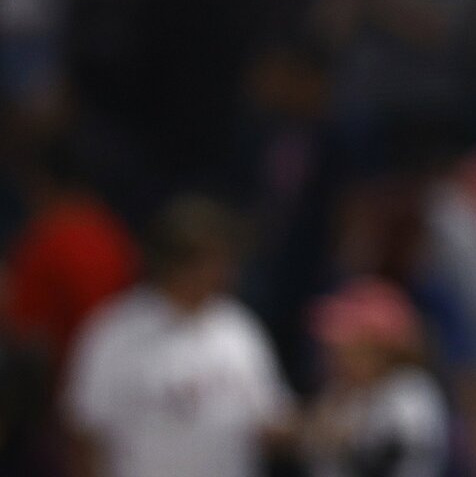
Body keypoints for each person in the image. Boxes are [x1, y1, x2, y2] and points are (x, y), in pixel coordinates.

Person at [61, 195, 295, 477]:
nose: (225, 273)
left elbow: (273, 420)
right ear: (174, 262)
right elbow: (84, 431)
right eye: (212, 260)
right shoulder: (114, 331)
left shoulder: (239, 329)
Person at [301, 277, 448, 477]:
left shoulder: (411, 391)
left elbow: (387, 448)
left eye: (348, 345)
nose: (332, 355)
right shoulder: (340, 391)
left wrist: (327, 434)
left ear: (381, 349)